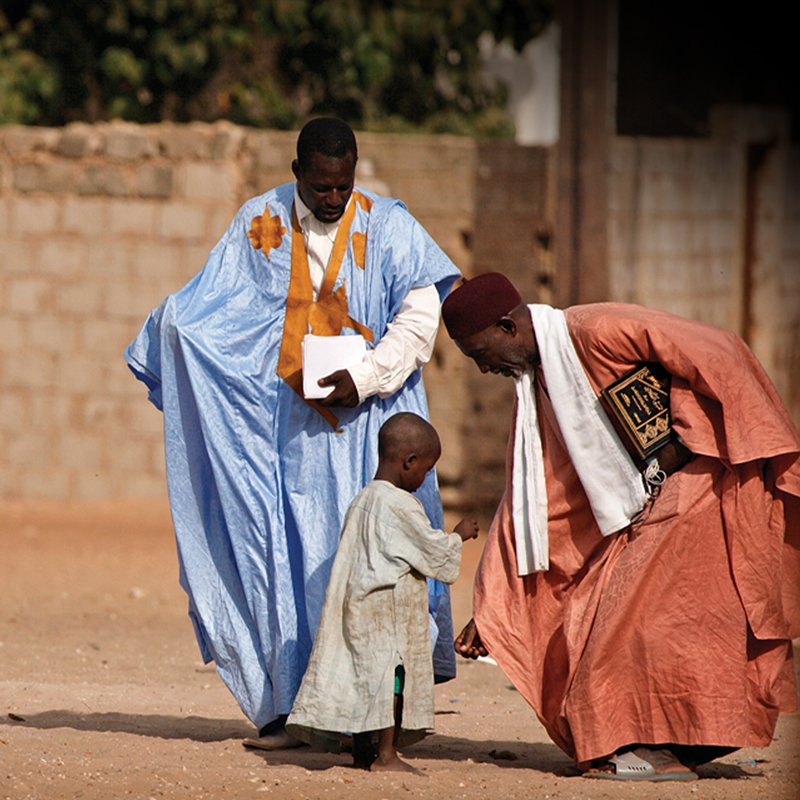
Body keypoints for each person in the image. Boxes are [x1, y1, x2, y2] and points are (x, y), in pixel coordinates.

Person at [124, 118, 461, 749]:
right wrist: (173, 335)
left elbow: (420, 318)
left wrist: (365, 376)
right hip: (284, 443)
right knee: (283, 564)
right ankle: (290, 710)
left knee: (375, 569)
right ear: (296, 171)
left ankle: (377, 725)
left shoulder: (388, 225)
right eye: (322, 187)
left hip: (372, 437)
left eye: (344, 185)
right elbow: (217, 310)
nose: (334, 199)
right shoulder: (260, 222)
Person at [441, 272, 800, 781]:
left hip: (704, 481)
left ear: (507, 326)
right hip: (647, 507)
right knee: (593, 622)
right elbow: (539, 495)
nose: (484, 369)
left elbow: (716, 350)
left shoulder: (595, 329)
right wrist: (495, 607)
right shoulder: (542, 386)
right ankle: (665, 746)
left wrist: (709, 436)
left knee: (628, 625)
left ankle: (656, 751)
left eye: (481, 355)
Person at [285, 412, 479, 772]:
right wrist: (458, 535)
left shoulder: (362, 500)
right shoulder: (399, 505)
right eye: (426, 468)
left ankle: (362, 753)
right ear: (409, 462)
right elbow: (433, 554)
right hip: (387, 616)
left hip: (358, 611)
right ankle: (386, 755)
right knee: (392, 683)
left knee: (365, 680)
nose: (425, 479)